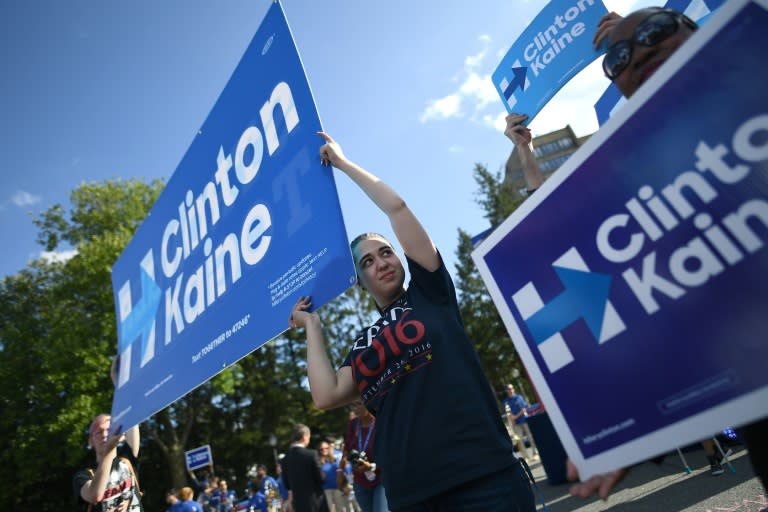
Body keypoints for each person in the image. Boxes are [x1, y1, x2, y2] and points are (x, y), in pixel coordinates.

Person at [557, 6, 768, 499]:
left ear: (698, 29)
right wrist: (639, 425)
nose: (640, 53)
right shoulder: (648, 195)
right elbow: (671, 314)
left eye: (657, 30)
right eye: (619, 59)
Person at [288, 132, 536, 511]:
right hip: (412, 496)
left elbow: (398, 208)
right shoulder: (361, 343)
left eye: (385, 252)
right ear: (359, 280)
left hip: (485, 477)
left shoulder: (430, 292)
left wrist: (342, 163)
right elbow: (325, 394)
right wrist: (313, 328)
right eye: (367, 262)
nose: (381, 262)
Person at [73, 359, 143, 512]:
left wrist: (119, 384)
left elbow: (132, 414)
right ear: (90, 441)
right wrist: (110, 449)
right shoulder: (83, 476)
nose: (105, 434)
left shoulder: (127, 461)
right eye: (98, 432)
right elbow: (94, 495)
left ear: (121, 434)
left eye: (109, 429)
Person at [341, 401, 385, 512]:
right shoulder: (353, 424)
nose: (355, 408)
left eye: (359, 404)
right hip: (360, 481)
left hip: (381, 479)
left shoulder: (380, 421)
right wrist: (340, 473)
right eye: (352, 405)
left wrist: (372, 466)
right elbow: (347, 449)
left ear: (368, 402)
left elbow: (390, 452)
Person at [281, 424, 329, 512]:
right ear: (305, 436)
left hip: (299, 505)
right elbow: (322, 478)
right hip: (316, 502)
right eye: (309, 437)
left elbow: (287, 485)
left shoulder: (285, 459)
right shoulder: (312, 454)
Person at [503, 384, 539, 461]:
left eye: (512, 388)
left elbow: (524, 409)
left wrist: (516, 416)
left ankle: (535, 453)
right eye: (509, 388)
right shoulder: (506, 401)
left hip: (524, 420)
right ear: (506, 390)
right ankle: (525, 457)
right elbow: (508, 413)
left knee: (530, 437)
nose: (511, 389)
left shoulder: (519, 397)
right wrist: (513, 417)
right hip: (516, 424)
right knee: (520, 440)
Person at [318, 439, 347, 512]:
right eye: (322, 449)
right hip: (326, 489)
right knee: (330, 509)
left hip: (338, 487)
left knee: (341, 509)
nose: (324, 450)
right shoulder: (318, 461)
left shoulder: (335, 458)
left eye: (326, 448)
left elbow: (341, 472)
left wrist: (344, 485)